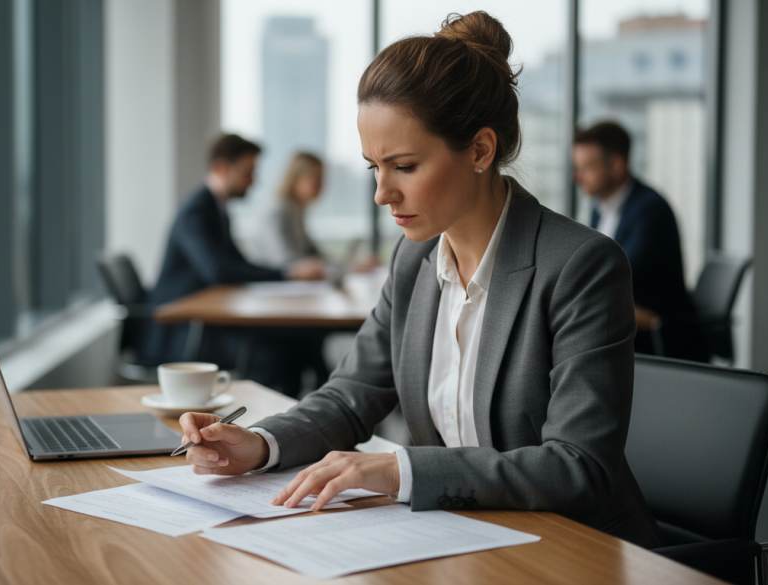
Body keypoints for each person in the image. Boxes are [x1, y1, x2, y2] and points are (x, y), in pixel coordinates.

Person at [177, 12, 662, 549]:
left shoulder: (579, 266)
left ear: (481, 150)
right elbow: (350, 395)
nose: (382, 194)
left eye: (404, 166)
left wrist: (400, 470)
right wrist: (260, 443)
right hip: (461, 540)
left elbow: (579, 467)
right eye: (373, 168)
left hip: (572, 550)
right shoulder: (415, 264)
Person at [144, 134, 325, 387]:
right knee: (278, 351)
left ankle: (314, 411)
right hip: (183, 331)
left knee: (299, 338)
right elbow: (217, 270)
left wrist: (286, 274)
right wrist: (287, 274)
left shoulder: (218, 211)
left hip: (207, 321)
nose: (253, 182)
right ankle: (268, 422)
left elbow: (240, 264)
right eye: (247, 173)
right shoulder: (196, 211)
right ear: (221, 167)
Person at [572, 121, 705, 361]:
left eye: (587, 168)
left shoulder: (650, 210)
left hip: (658, 336)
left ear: (617, 166)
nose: (577, 177)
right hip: (622, 323)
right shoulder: (600, 209)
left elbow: (615, 275)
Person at [248, 152, 325, 269]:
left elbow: (311, 252)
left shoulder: (297, 210)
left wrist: (340, 265)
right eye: (315, 178)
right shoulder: (279, 210)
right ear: (296, 178)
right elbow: (283, 260)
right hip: (269, 282)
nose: (320, 185)